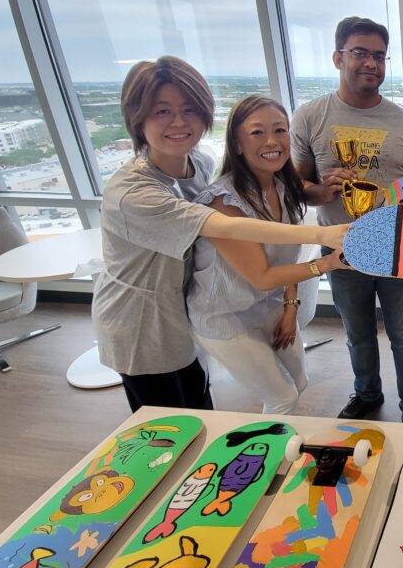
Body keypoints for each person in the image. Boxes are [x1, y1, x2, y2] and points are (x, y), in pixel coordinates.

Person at [93, 57, 347, 413]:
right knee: (166, 428)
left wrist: (291, 302)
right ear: (137, 119)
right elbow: (227, 227)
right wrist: (328, 240)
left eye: (190, 109)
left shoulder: (199, 164)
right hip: (142, 319)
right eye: (162, 111)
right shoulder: (134, 193)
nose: (180, 122)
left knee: (200, 409)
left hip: (188, 304)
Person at [291, 17, 403, 423]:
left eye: (379, 56)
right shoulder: (311, 116)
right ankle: (367, 392)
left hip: (396, 248)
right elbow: (298, 187)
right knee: (358, 334)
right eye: (360, 53)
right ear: (338, 58)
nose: (371, 63)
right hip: (340, 248)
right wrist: (322, 189)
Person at [187, 96, 346, 414]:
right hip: (224, 316)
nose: (272, 141)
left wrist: (290, 307)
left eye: (280, 130)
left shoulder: (284, 186)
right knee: (282, 397)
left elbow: (288, 256)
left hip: (269, 304)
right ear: (237, 143)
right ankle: (266, 462)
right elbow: (262, 277)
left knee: (299, 383)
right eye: (257, 132)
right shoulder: (221, 203)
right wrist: (328, 264)